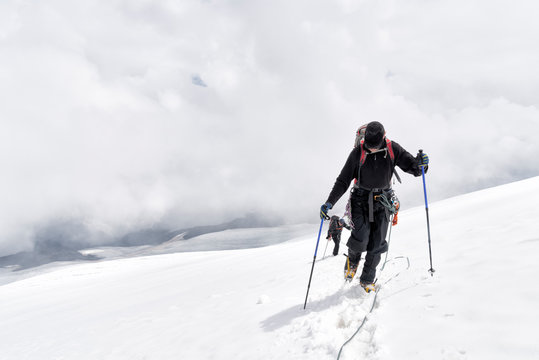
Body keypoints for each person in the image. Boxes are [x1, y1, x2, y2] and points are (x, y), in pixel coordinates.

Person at [319, 121, 429, 292]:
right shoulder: (358, 153)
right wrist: (329, 202)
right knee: (361, 237)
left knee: (377, 243)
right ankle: (353, 261)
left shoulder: (393, 149)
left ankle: (367, 280)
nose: (371, 149)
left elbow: (415, 169)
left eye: (375, 146)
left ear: (383, 138)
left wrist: (422, 164)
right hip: (360, 199)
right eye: (369, 146)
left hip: (383, 201)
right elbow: (343, 180)